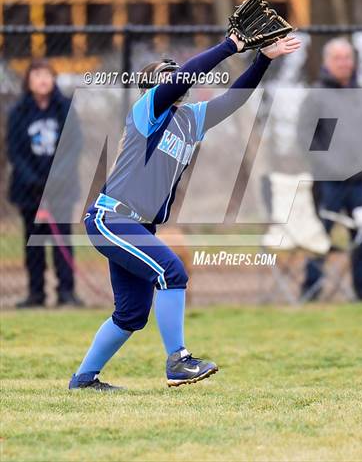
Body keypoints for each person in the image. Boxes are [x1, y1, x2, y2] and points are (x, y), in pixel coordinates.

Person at [69, 31, 301, 391]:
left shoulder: (190, 119)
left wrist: (264, 59)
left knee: (130, 314)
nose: (177, 76)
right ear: (151, 87)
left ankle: (84, 379)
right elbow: (186, 75)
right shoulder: (147, 111)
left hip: (139, 226)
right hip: (112, 218)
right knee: (172, 271)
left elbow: (235, 100)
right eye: (167, 73)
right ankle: (177, 360)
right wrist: (230, 46)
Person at [297, 38, 362, 301]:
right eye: (337, 58)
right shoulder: (316, 97)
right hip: (329, 182)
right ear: (327, 62)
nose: (343, 63)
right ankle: (311, 288)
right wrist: (328, 166)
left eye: (347, 58)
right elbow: (306, 137)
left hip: (359, 182)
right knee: (321, 235)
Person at [6, 59, 83, 308]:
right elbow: (15, 151)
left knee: (62, 241)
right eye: (36, 74)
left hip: (61, 189)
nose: (42, 79)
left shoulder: (65, 109)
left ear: (53, 79)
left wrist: (55, 180)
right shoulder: (18, 113)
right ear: (28, 80)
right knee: (34, 243)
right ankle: (36, 293)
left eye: (47, 74)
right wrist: (35, 183)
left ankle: (67, 293)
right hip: (30, 191)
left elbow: (73, 147)